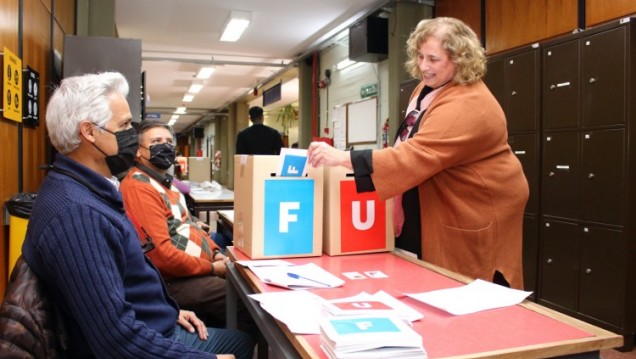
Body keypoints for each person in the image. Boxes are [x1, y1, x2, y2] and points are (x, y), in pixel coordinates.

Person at [22, 71, 254, 358]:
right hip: (143, 339)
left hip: (155, 322)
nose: (131, 134)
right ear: (89, 131)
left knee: (239, 338)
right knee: (242, 341)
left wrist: (169, 311)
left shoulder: (83, 189)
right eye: (124, 125)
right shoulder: (77, 214)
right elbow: (116, 340)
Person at [307, 17, 528, 290]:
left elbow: (417, 155)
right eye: (421, 56)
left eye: (434, 59)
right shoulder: (427, 89)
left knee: (468, 287)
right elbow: (407, 141)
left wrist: (343, 158)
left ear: (461, 59)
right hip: (436, 198)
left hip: (472, 208)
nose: (424, 66)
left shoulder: (468, 103)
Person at [120, 119, 256, 338]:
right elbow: (161, 257)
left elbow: (190, 226)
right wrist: (211, 268)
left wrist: (214, 253)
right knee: (245, 301)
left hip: (191, 271)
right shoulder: (139, 188)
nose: (165, 146)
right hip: (172, 281)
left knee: (242, 284)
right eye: (156, 142)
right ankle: (231, 346)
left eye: (168, 141)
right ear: (138, 152)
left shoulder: (164, 183)